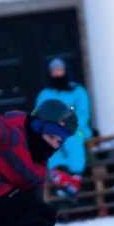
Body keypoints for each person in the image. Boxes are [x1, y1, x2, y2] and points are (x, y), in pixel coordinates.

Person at [35, 58, 92, 199]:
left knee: (73, 142)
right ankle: (61, 173)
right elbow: (38, 114)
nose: (57, 73)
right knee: (49, 145)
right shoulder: (45, 94)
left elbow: (83, 113)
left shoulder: (78, 91)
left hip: (75, 129)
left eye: (59, 70)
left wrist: (68, 123)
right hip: (52, 130)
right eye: (54, 71)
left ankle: (75, 174)